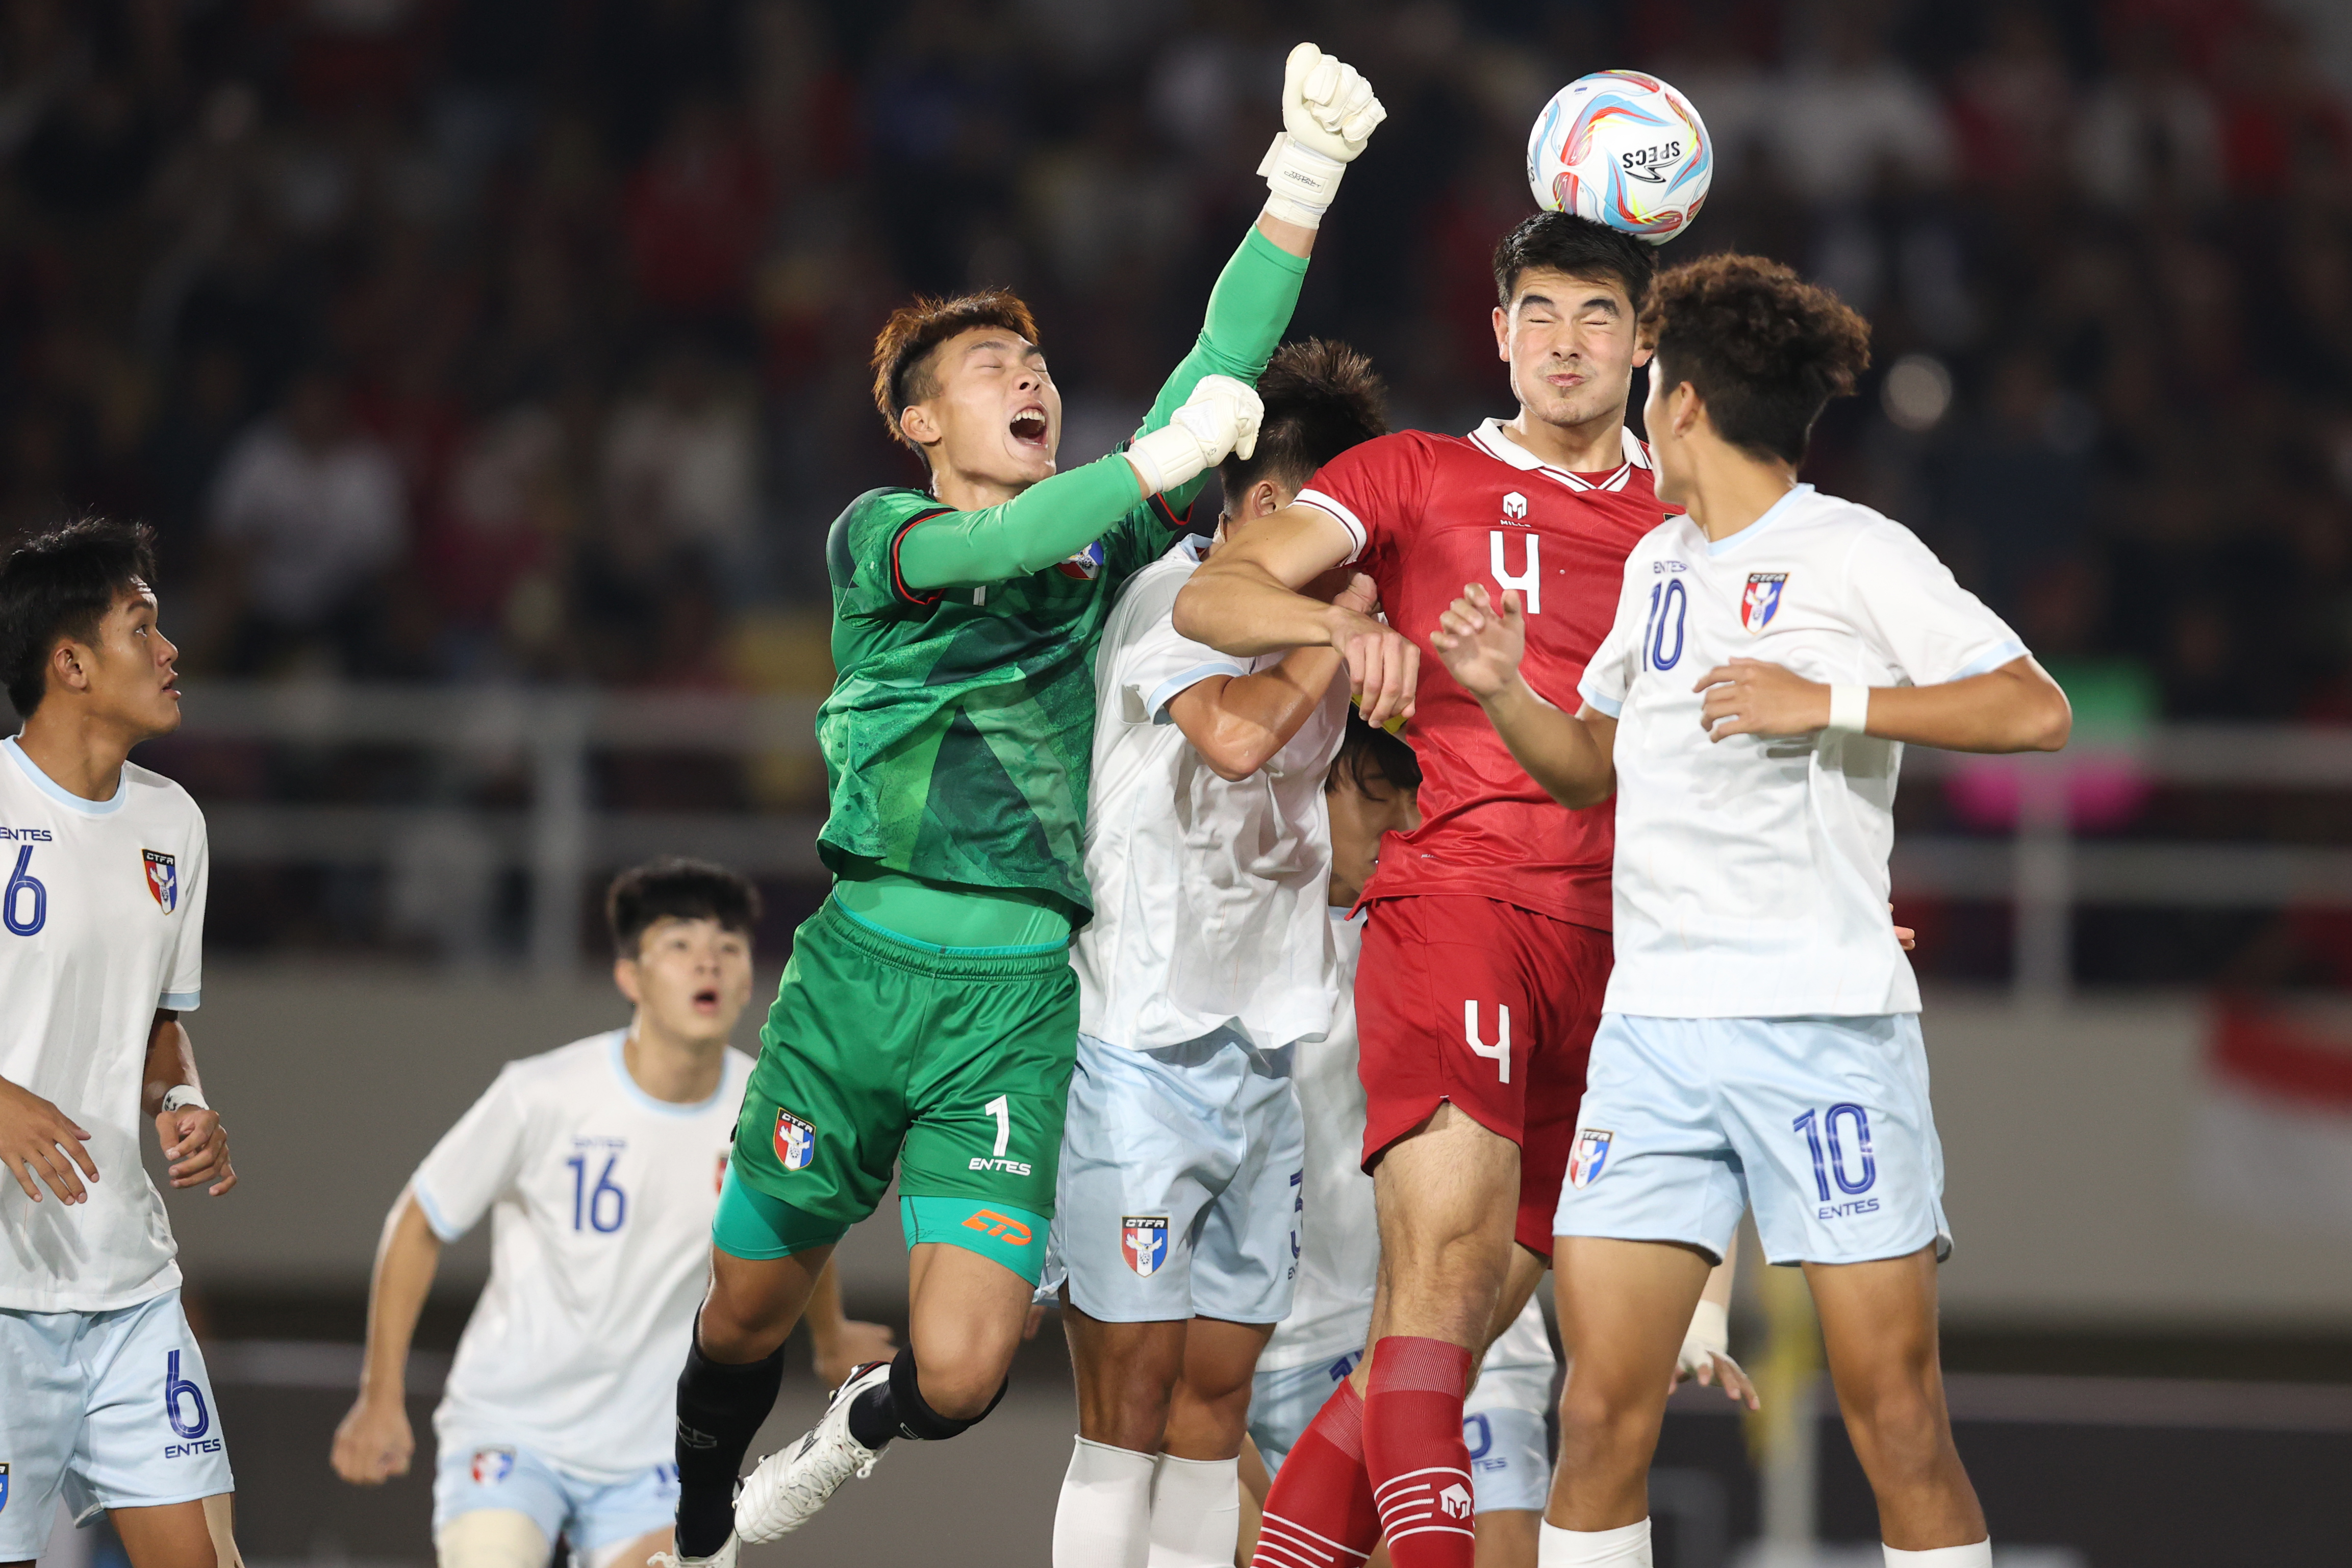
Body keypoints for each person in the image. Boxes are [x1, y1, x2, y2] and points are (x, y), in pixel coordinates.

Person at [664, 44, 1388, 1566]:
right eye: (991, 370)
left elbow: (1213, 375)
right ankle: (698, 1514)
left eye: (1039, 365)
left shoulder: (1103, 552)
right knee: (741, 1308)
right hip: (856, 976)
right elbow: (1021, 541)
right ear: (920, 426)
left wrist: (1299, 186)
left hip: (1010, 1001)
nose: (1030, 380)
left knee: (967, 1373)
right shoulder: (886, 537)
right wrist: (1160, 459)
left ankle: (854, 1431)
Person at [1423, 252, 2070, 1568]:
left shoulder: (1853, 553)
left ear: (1683, 407)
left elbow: (2033, 708)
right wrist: (1501, 690)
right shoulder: (1660, 564)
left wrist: (1824, 702)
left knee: (1894, 1416)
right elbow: (1593, 762)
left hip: (1821, 1029)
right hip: (1652, 1038)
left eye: (1651, 384)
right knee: (1597, 1409)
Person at [1174, 212, 1742, 1568]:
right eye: (1536, 314)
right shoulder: (1409, 474)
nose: (1563, 343)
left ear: (1643, 341)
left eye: (1596, 317)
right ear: (1496, 333)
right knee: (1436, 1286)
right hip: (1462, 906)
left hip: (1623, 956)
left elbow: (1741, 729)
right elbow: (1218, 596)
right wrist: (1339, 620)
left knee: (1434, 1348)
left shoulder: (1692, 517)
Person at [1238, 720, 1746, 1568]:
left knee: (1502, 1536)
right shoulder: (1254, 938)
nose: (1401, 820)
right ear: (1316, 787)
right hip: (1290, 1334)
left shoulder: (1495, 898)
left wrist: (1705, 1309)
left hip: (1463, 1303)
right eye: (1378, 798)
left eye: (1414, 799)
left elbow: (1689, 1093)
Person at [1049, 341, 1389, 1568]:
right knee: (1124, 1412)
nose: (1351, 551)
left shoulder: (1332, 617)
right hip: (1137, 1042)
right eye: (1329, 523)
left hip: (1264, 1048)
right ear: (1260, 509)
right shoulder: (1172, 599)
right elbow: (1240, 742)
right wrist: (1332, 638)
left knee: (1210, 1411)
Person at [328, 859, 893, 1568]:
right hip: (512, 1426)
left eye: (727, 947)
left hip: (654, 1453)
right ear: (631, 977)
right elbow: (419, 1220)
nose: (707, 962)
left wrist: (831, 1332)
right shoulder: (542, 1094)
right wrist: (379, 1395)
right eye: (681, 946)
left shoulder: (766, 1107)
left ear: (752, 978)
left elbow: (797, 1228)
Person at [0, 519, 244, 1568]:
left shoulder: (173, 821)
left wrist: (180, 1098)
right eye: (141, 627)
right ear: (71, 663)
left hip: (128, 1281)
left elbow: (158, 1023)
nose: (170, 650)